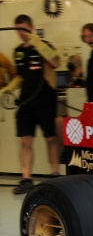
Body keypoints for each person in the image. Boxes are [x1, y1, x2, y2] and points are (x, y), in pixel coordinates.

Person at [0, 15, 61, 194]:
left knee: (51, 138)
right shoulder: (18, 51)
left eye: (24, 29)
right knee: (25, 140)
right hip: (26, 102)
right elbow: (20, 75)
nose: (21, 33)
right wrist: (8, 89)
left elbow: (56, 62)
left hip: (46, 99)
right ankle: (26, 178)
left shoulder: (44, 45)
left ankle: (55, 174)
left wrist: (38, 43)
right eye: (18, 29)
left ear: (32, 27)